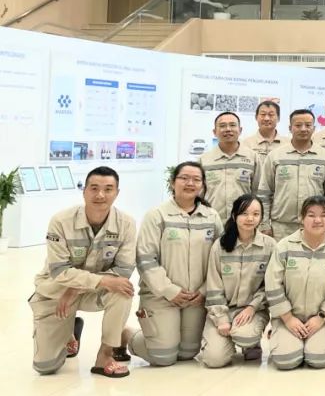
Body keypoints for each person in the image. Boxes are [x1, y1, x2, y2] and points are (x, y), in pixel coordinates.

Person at [29, 166, 136, 378]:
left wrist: (76, 289)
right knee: (45, 366)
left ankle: (105, 355)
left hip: (86, 291)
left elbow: (123, 269)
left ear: (117, 193)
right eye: (94, 188)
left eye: (108, 189)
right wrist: (74, 288)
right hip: (57, 291)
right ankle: (69, 330)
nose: (100, 195)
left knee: (123, 290)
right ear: (84, 191)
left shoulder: (126, 224)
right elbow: (59, 271)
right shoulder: (61, 221)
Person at [126, 162, 223, 366]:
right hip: (161, 296)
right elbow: (145, 258)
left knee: (188, 352)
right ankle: (127, 336)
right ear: (172, 183)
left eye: (196, 179)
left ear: (203, 185)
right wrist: (170, 291)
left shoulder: (211, 217)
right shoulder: (157, 215)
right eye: (184, 178)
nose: (190, 183)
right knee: (163, 357)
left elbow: (220, 259)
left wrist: (204, 290)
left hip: (196, 298)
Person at [264, 196, 325, 369]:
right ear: (301, 218)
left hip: (321, 319)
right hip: (287, 318)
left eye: (324, 215)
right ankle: (281, 334)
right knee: (286, 360)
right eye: (311, 215)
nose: (318, 220)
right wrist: (288, 318)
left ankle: (317, 339)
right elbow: (273, 284)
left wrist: (321, 317)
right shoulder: (285, 246)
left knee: (319, 359)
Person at [200, 194, 275, 368]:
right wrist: (221, 319)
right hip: (223, 309)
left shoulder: (270, 246)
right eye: (244, 213)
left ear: (261, 217)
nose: (250, 218)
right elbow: (213, 286)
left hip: (253, 311)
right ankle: (225, 342)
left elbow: (271, 285)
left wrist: (252, 307)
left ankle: (250, 343)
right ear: (234, 216)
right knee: (214, 360)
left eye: (256, 214)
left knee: (245, 336)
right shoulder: (220, 246)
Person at [257, 109, 325, 239]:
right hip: (281, 227)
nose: (303, 129)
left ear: (314, 128)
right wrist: (264, 224)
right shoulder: (275, 156)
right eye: (298, 125)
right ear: (290, 128)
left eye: (308, 125)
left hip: (316, 225)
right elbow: (264, 193)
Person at [200, 111, 259, 222]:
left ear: (240, 130)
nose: (228, 129)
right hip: (212, 222)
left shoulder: (252, 158)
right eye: (222, 126)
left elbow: (258, 192)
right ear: (214, 132)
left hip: (243, 222)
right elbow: (199, 196)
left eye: (232, 125)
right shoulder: (204, 160)